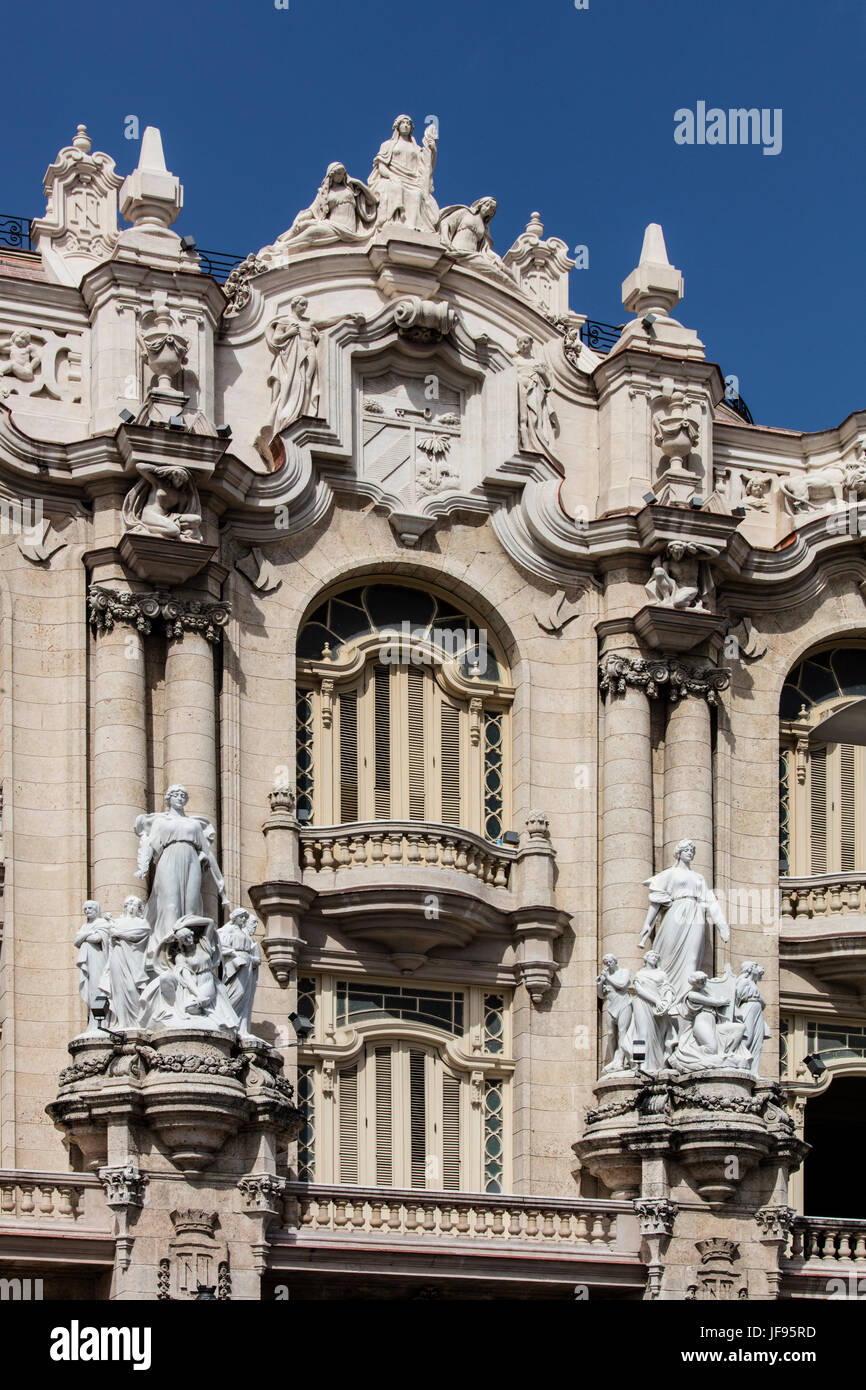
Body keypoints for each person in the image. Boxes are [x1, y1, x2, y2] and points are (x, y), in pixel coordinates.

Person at [135, 785, 229, 961]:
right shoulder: (161, 822)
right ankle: (168, 951)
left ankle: (190, 950)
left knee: (191, 905)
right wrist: (143, 867)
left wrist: (220, 883)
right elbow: (150, 845)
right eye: (176, 795)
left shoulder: (194, 824)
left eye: (183, 795)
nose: (180, 798)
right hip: (168, 860)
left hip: (191, 861)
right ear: (168, 798)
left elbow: (207, 852)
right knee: (170, 904)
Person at [639, 839, 729, 1000]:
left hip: (695, 914)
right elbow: (656, 900)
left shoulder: (699, 878)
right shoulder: (669, 874)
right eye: (687, 849)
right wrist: (647, 924)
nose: (690, 852)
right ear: (679, 853)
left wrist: (722, 926)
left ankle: (686, 997)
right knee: (668, 953)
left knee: (692, 955)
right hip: (675, 913)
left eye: (692, 850)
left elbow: (711, 902)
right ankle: (668, 995)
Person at [139, 915, 239, 1032]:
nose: (189, 940)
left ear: (192, 934)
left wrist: (183, 925)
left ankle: (207, 1015)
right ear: (181, 942)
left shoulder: (203, 944)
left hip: (207, 981)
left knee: (198, 1004)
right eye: (184, 939)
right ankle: (172, 1010)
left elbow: (210, 922)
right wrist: (197, 994)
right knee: (190, 1007)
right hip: (192, 985)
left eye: (189, 936)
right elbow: (187, 979)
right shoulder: (181, 957)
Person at [101, 896, 151, 1030]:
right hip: (117, 957)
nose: (131, 907)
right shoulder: (117, 922)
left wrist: (119, 934)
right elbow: (111, 937)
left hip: (134, 961)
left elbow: (138, 936)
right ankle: (121, 1021)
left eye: (134, 905)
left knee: (131, 988)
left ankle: (135, 1021)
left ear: (140, 908)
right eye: (128, 904)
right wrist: (114, 932)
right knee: (118, 989)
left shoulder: (142, 923)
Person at [630, 950, 676, 1072]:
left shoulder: (661, 974)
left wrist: (667, 1002)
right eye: (651, 955)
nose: (654, 957)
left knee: (658, 1035)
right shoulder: (640, 974)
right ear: (645, 958)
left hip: (658, 1008)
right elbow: (639, 990)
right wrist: (656, 1001)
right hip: (643, 1003)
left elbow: (668, 989)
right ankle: (642, 1064)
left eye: (656, 956)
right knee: (643, 1033)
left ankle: (657, 1063)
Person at [218, 909, 262, 1035]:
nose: (243, 919)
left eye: (245, 917)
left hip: (247, 963)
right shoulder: (228, 930)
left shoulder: (244, 934)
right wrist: (234, 955)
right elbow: (220, 946)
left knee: (245, 996)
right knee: (237, 992)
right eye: (242, 917)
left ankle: (241, 1028)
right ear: (235, 917)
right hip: (236, 964)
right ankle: (226, 1020)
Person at [74, 901, 112, 1032]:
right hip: (89, 963)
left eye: (90, 908)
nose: (87, 911)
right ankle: (93, 1022)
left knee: (99, 987)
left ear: (96, 909)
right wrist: (86, 934)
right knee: (91, 989)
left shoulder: (102, 923)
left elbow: (97, 938)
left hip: (99, 960)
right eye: (85, 909)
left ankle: (104, 1020)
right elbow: (76, 941)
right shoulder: (86, 926)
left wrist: (83, 936)